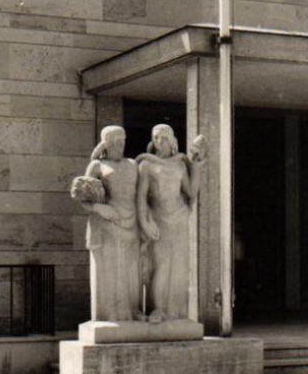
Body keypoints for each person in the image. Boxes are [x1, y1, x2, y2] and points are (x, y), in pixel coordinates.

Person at [70, 125, 141, 323]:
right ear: (106, 144)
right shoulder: (97, 166)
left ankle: (132, 310)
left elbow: (142, 194)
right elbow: (82, 194)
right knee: (110, 269)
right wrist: (100, 209)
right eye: (115, 141)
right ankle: (111, 314)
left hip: (130, 221)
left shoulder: (132, 164)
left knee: (131, 270)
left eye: (122, 140)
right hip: (107, 223)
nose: (120, 145)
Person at [135, 125, 206, 322]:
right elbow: (141, 197)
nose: (160, 142)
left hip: (179, 217)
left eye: (164, 138)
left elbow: (191, 191)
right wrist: (144, 221)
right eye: (156, 138)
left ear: (172, 140)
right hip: (159, 219)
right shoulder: (146, 165)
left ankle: (177, 311)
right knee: (160, 265)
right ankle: (157, 309)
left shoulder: (180, 165)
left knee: (179, 266)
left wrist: (197, 167)